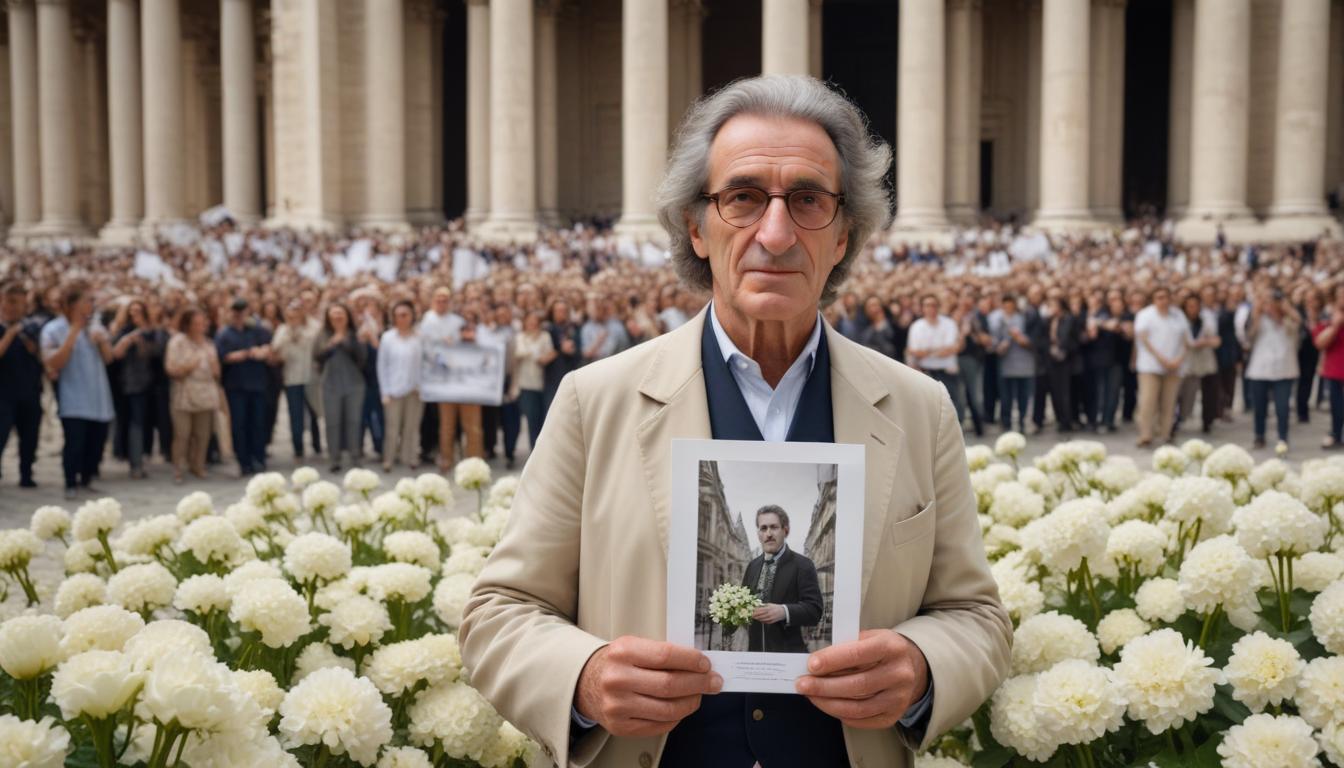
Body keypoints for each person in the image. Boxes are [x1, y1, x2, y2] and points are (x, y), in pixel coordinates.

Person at [461, 74, 1009, 768]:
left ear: (844, 235)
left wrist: (924, 667)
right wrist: (584, 678)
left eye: (808, 200)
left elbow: (976, 617)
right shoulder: (592, 400)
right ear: (696, 225)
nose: (775, 234)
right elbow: (500, 612)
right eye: (743, 198)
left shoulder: (918, 407)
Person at [40, 281, 116, 500]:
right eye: (87, 301)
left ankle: (87, 479)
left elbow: (109, 359)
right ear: (72, 304)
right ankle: (70, 482)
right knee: (75, 442)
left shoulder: (96, 327)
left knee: (96, 442)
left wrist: (102, 342)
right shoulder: (53, 329)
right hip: (73, 397)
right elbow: (54, 363)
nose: (91, 305)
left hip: (99, 396)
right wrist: (73, 332)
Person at [741, 505, 823, 654]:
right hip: (754, 656)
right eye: (763, 528)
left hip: (789, 656)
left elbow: (815, 611)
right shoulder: (752, 566)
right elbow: (743, 604)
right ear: (759, 534)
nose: (769, 534)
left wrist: (783, 611)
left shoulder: (803, 564)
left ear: (786, 530)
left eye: (774, 527)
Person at [216, 297, 273, 475]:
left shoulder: (257, 330)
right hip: (236, 385)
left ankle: (259, 458)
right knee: (239, 424)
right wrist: (239, 355)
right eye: (236, 312)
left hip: (257, 383)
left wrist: (262, 351)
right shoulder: (225, 333)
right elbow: (221, 356)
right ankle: (244, 461)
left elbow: (269, 347)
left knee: (258, 422)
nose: (239, 316)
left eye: (242, 312)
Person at [1241, 287, 1301, 451]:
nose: (1270, 304)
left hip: (1285, 369)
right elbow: (1248, 337)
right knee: (1260, 407)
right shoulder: (1257, 317)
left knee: (1283, 407)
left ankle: (1283, 438)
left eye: (1273, 300)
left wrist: (1286, 311)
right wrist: (1257, 313)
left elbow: (1300, 328)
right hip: (1259, 369)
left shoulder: (1288, 319)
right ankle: (1259, 436)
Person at [164, 307, 220, 483]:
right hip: (185, 394)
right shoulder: (177, 342)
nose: (200, 327)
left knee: (203, 434)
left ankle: (198, 465)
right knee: (182, 434)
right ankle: (178, 468)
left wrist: (214, 366)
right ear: (187, 325)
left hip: (205, 394)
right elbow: (171, 369)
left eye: (203, 323)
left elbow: (217, 373)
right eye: (196, 323)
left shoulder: (209, 344)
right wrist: (190, 365)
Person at [110, 299, 164, 478]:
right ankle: (135, 463)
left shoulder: (153, 333)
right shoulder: (124, 332)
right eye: (132, 312)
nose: (135, 315)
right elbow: (115, 354)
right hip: (129, 385)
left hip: (150, 385)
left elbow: (156, 353)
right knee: (135, 424)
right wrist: (128, 339)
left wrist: (142, 340)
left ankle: (142, 456)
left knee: (146, 424)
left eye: (139, 311)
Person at [314, 303, 368, 472]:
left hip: (354, 384)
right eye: (334, 314)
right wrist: (331, 344)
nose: (338, 318)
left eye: (341, 314)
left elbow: (362, 359)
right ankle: (334, 458)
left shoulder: (355, 335)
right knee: (332, 422)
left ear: (347, 316)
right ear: (328, 317)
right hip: (330, 384)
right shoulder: (322, 335)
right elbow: (317, 357)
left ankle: (354, 456)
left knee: (353, 421)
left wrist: (344, 342)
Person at [1133, 287, 1189, 447]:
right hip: (1150, 365)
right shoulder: (1145, 315)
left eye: (1166, 297)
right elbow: (1144, 340)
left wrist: (1178, 359)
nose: (1163, 301)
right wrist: (1162, 359)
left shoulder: (1178, 315)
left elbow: (1186, 340)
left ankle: (1165, 434)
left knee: (1169, 403)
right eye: (1159, 297)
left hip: (1174, 366)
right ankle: (1146, 434)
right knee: (1148, 401)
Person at [0, 283, 43, 488]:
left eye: (20, 303)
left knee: (30, 437)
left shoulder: (32, 328)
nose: (15, 307)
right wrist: (9, 334)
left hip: (30, 391)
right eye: (12, 302)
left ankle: (26, 474)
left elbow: (42, 356)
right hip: (3, 394)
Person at [270, 302, 323, 459]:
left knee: (314, 412)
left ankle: (317, 445)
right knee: (295, 414)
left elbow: (317, 344)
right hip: (292, 378)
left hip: (311, 377)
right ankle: (298, 448)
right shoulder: (282, 330)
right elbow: (275, 348)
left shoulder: (313, 327)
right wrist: (289, 331)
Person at [377, 300, 424, 472]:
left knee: (411, 427)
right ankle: (388, 459)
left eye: (405, 315)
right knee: (392, 427)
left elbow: (426, 363)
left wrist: (422, 386)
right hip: (393, 390)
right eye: (397, 315)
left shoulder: (419, 338)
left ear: (412, 316)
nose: (401, 318)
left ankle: (410, 457)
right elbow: (382, 366)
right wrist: (385, 391)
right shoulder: (388, 338)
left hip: (415, 390)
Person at [906, 294, 964, 419]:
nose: (930, 308)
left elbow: (950, 349)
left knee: (952, 404)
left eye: (933, 305)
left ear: (938, 307)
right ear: (922, 308)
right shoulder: (916, 326)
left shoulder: (949, 323)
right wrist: (937, 350)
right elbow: (914, 351)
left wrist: (927, 352)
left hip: (947, 371)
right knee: (929, 407)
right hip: (926, 371)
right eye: (927, 305)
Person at [1175, 293, 1221, 436]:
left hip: (1205, 361)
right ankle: (1178, 419)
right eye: (1190, 306)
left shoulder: (1207, 319)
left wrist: (1206, 342)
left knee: (1209, 395)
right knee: (1184, 395)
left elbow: (1216, 339)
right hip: (1186, 362)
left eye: (1195, 306)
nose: (1193, 309)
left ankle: (1207, 422)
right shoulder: (1179, 320)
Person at [512, 310, 554, 454]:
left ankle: (545, 452)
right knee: (532, 419)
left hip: (543, 383)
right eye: (530, 320)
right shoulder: (521, 337)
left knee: (545, 420)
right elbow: (520, 353)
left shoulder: (545, 336)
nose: (532, 323)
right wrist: (536, 353)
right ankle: (534, 452)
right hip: (526, 384)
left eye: (535, 320)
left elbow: (549, 353)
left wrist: (544, 356)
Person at [992, 294, 1035, 433]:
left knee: (1023, 395)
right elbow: (994, 340)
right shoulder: (997, 320)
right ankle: (1006, 423)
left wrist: (1019, 338)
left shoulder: (1024, 319)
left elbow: (1032, 339)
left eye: (1011, 306)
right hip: (1006, 363)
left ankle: (1022, 421)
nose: (1008, 309)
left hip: (1024, 363)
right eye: (1006, 307)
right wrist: (999, 345)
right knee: (1006, 396)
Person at [1313, 284, 1344, 449]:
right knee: (1336, 406)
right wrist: (1335, 326)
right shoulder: (1328, 316)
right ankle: (1336, 433)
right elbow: (1319, 342)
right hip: (1335, 369)